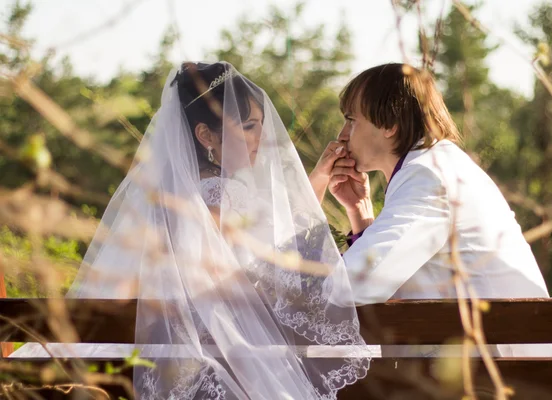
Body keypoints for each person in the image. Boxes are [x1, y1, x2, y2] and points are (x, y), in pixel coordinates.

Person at [11, 62, 370, 399]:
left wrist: (319, 179)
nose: (261, 137)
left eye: (259, 124)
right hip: (212, 350)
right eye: (247, 126)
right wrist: (323, 184)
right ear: (204, 135)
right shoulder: (221, 195)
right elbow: (280, 258)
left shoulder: (181, 194)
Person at [309, 63, 552, 357]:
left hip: (497, 378)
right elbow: (390, 276)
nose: (342, 135)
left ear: (390, 124)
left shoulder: (429, 176)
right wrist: (359, 212)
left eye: (351, 120)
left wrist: (291, 284)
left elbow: (354, 286)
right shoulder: (435, 165)